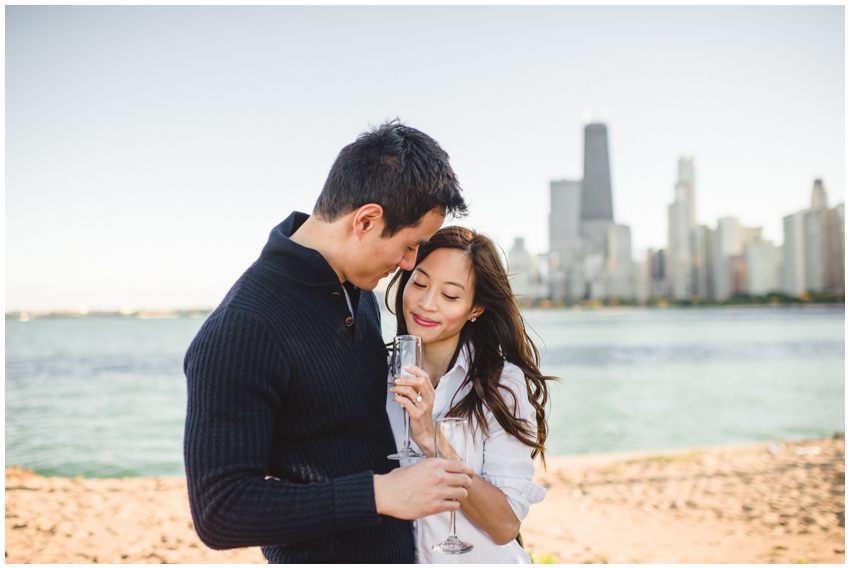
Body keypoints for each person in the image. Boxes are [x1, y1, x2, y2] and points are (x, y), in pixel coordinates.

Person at [183, 121, 475, 563]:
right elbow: (220, 511)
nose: (409, 264)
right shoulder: (242, 327)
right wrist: (379, 494)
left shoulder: (359, 295)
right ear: (367, 220)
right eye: (410, 246)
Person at [385, 226, 554, 563]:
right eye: (419, 283)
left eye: (449, 296)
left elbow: (505, 525)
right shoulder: (374, 376)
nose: (426, 303)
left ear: (475, 309)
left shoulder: (503, 385)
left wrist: (432, 441)